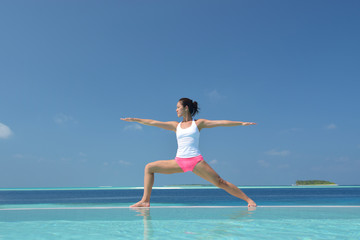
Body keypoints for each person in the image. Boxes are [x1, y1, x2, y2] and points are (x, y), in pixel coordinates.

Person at [121, 98, 257, 208]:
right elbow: (153, 122)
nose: (176, 109)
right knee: (149, 167)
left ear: (186, 108)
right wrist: (135, 120)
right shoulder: (176, 125)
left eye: (178, 107)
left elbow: (220, 123)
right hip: (179, 162)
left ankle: (248, 200)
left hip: (196, 161)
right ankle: (145, 201)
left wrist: (241, 123)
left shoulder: (198, 123)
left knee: (220, 182)